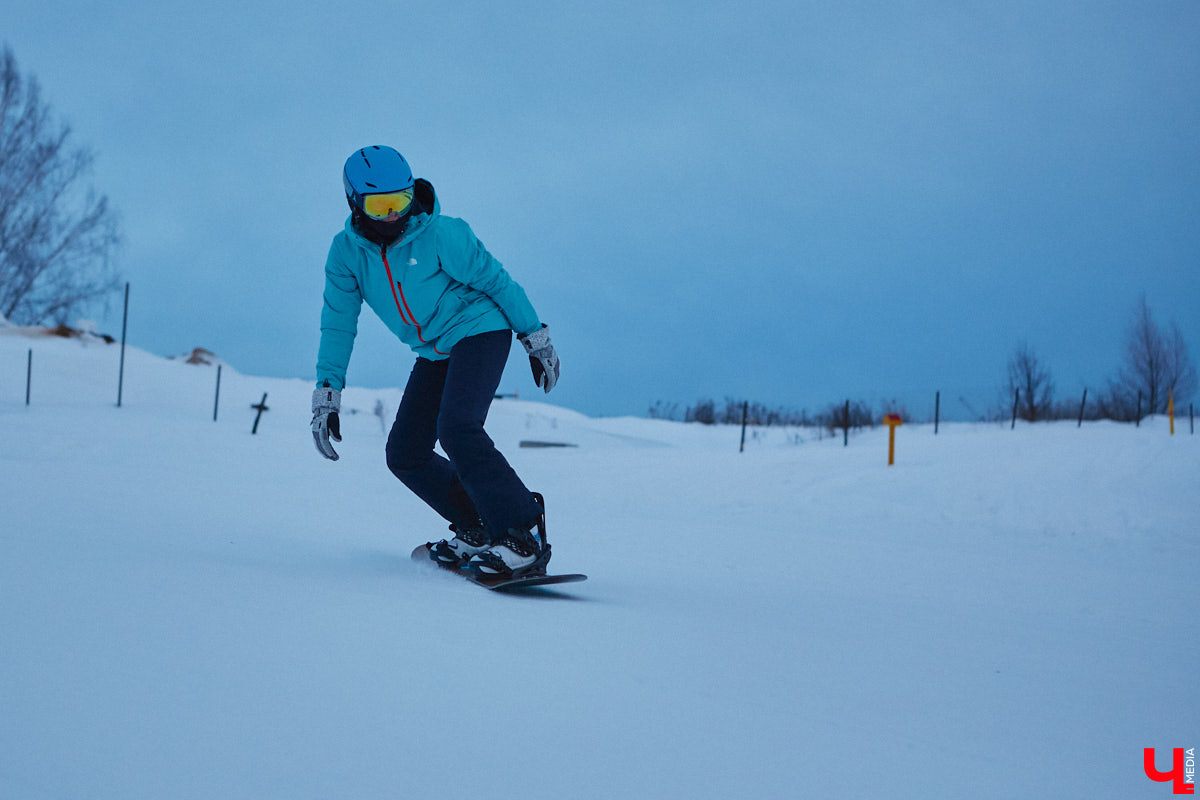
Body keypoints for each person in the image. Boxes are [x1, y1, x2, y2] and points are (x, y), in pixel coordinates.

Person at [311, 145, 561, 579]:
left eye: (401, 201)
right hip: (434, 349)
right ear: (355, 203)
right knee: (405, 453)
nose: (393, 215)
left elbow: (496, 281)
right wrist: (327, 392)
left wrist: (534, 336)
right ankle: (479, 525)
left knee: (458, 428)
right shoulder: (346, 254)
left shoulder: (444, 234)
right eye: (380, 205)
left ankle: (521, 532)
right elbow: (338, 323)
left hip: (480, 328)